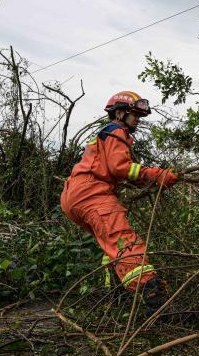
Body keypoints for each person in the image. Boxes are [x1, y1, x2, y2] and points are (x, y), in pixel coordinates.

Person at [60, 90, 178, 315]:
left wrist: (147, 180)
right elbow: (120, 167)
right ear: (120, 113)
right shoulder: (116, 131)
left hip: (75, 196)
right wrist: (158, 175)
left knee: (111, 245)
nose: (137, 120)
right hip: (92, 194)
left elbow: (116, 171)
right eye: (134, 114)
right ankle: (157, 306)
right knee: (126, 243)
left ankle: (115, 296)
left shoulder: (107, 135)